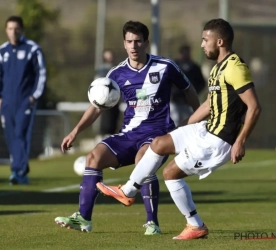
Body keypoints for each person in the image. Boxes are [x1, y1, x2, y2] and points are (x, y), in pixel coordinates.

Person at [97, 18, 262, 240]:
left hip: (219, 140)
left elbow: (254, 107)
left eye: (205, 40)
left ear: (220, 41)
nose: (202, 45)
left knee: (170, 174)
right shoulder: (217, 68)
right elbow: (209, 105)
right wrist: (187, 127)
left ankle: (195, 225)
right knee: (159, 143)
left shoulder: (235, 67)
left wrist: (241, 141)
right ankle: (127, 192)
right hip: (206, 129)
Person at [54, 21, 200, 235]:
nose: (134, 46)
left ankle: (152, 223)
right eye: (129, 41)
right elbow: (97, 107)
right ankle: (83, 218)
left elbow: (189, 90)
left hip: (158, 134)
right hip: (129, 134)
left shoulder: (165, 66)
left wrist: (198, 120)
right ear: (124, 43)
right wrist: (75, 131)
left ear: (146, 42)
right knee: (93, 158)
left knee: (144, 160)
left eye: (138, 41)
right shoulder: (116, 74)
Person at [0, 16, 47, 185]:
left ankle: (18, 171)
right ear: (6, 30)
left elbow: (41, 74)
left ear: (21, 30)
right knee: (10, 136)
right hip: (6, 102)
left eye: (16, 29)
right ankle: (19, 168)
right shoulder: (1, 51)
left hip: (25, 100)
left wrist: (34, 96)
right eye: (10, 29)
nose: (13, 32)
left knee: (20, 135)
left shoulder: (32, 49)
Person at [170, 45, 206, 126]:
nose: (186, 55)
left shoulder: (194, 67)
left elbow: (202, 83)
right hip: (175, 101)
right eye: (184, 53)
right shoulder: (174, 66)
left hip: (188, 102)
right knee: (175, 122)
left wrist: (195, 92)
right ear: (180, 54)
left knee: (191, 123)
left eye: (188, 53)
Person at [94, 49, 120, 137]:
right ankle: (104, 134)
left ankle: (111, 134)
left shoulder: (117, 68)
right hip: (105, 98)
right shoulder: (102, 69)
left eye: (110, 55)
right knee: (105, 118)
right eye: (107, 55)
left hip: (115, 98)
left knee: (114, 117)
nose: (109, 57)